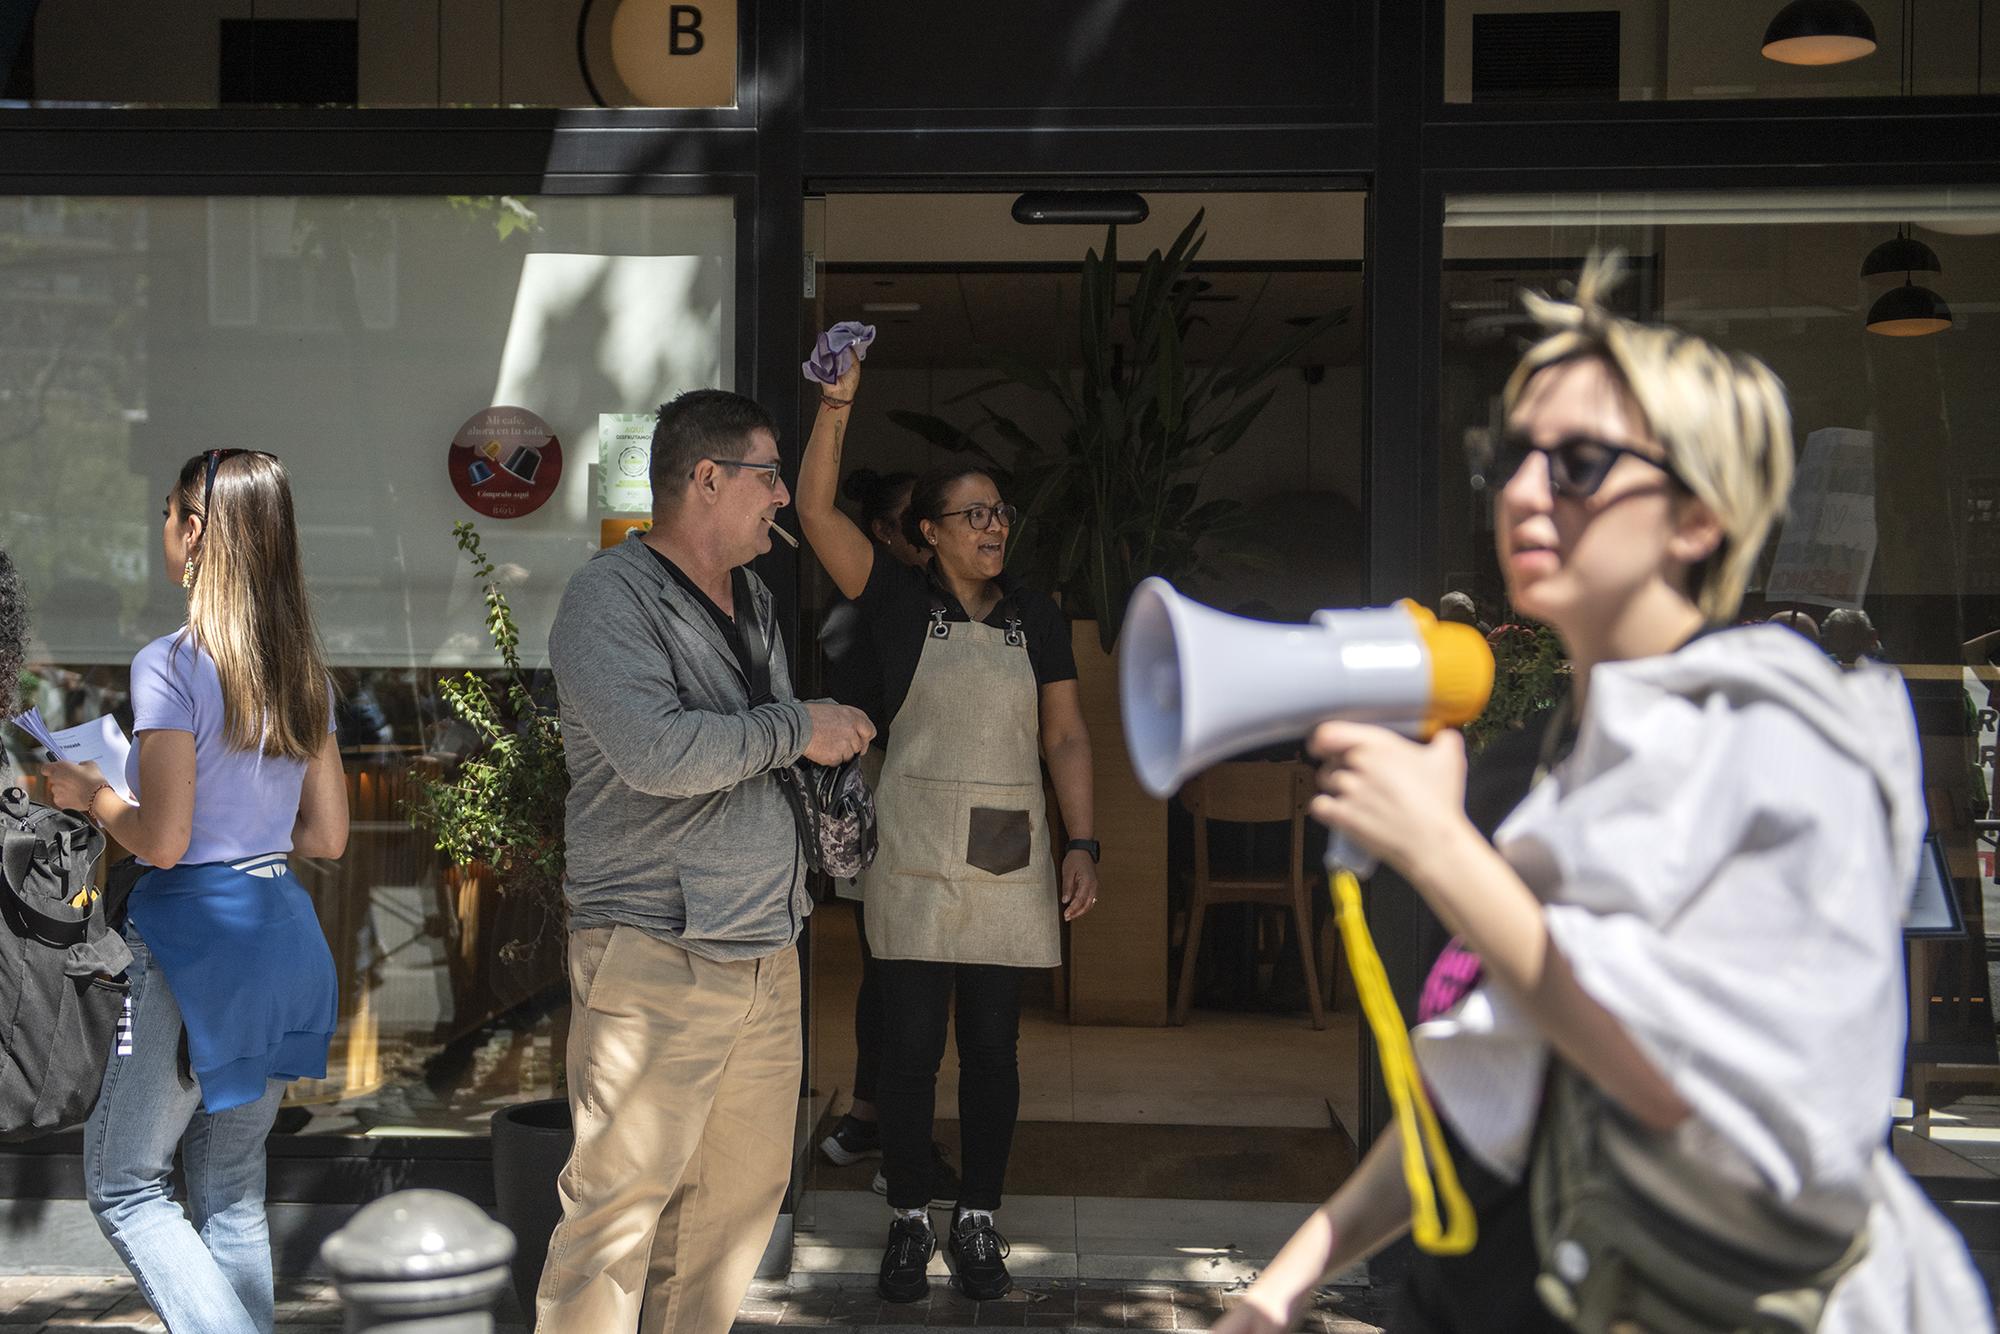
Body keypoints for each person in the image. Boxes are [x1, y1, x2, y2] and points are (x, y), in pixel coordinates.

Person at [1216, 257, 1993, 1334]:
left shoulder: (1777, 744)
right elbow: (1490, 1074)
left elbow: (1685, 1083)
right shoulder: (1538, 761)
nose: (1524, 490)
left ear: (1697, 516)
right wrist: (1281, 1282)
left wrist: (1441, 850)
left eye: (1578, 459)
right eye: (1514, 454)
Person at [538, 388, 874, 1334]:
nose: (782, 497)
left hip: (765, 946)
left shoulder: (757, 596)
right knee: (614, 1220)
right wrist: (796, 726)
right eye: (770, 475)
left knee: (734, 1210)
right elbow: (659, 752)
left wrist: (803, 747)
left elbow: (755, 746)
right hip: (654, 949)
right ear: (708, 478)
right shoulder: (608, 598)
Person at [798, 351, 1099, 1304]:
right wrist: (836, 406)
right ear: (926, 533)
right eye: (974, 514)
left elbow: (1066, 736)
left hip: (1010, 844)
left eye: (1001, 512)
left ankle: (979, 1219)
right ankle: (906, 1221)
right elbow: (812, 514)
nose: (994, 525)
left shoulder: (1036, 618)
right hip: (917, 840)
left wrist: (1084, 843)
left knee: (997, 1051)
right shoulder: (892, 598)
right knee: (912, 1046)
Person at [45, 449, 348, 1334]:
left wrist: (92, 796)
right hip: (282, 935)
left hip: (193, 950)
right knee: (229, 1189)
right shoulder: (305, 673)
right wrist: (242, 823)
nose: (163, 529)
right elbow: (326, 837)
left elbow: (164, 842)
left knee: (124, 1185)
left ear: (202, 532)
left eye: (173, 513)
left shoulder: (170, 664)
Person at [815, 467, 965, 1206]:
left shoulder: (904, 602)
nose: (933, 530)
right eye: (920, 518)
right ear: (884, 532)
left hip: (883, 798)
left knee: (892, 973)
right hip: (881, 798)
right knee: (902, 977)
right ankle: (891, 1145)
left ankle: (870, 1120)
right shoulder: (880, 603)